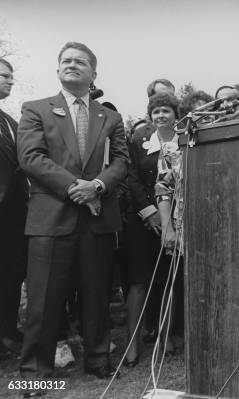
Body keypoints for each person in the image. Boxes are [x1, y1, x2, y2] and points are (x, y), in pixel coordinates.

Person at [16, 42, 129, 386]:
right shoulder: (35, 109)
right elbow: (31, 158)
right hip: (50, 221)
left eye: (80, 61)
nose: (72, 65)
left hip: (96, 221)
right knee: (44, 302)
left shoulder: (109, 117)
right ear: (57, 71)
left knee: (96, 297)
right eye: (65, 61)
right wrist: (75, 187)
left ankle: (98, 361)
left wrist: (96, 185)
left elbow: (122, 162)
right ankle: (36, 374)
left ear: (94, 74)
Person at [123, 93, 181, 366]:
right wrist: (150, 212)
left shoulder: (185, 140)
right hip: (143, 218)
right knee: (138, 281)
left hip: (176, 218)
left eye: (166, 111)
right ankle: (132, 342)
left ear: (175, 113)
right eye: (156, 111)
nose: (160, 116)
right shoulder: (138, 141)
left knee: (169, 279)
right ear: (150, 115)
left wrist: (168, 217)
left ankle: (165, 335)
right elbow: (131, 177)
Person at [0, 58, 28, 357]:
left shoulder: (9, 121)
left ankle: (7, 330)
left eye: (11, 76)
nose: (10, 81)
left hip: (14, 215)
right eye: (4, 76)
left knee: (11, 274)